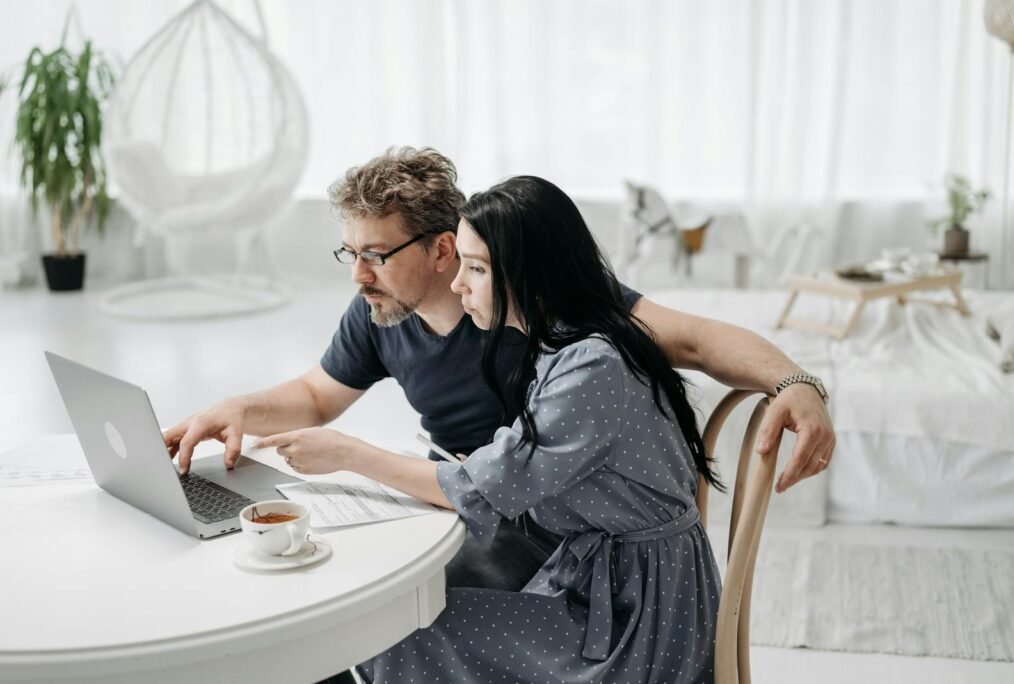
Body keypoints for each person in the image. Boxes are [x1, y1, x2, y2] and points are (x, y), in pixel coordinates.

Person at [164, 147, 834, 595]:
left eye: (374, 253)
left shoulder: (545, 309)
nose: (356, 274)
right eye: (348, 251)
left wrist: (796, 383)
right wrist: (232, 412)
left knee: (382, 606)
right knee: (332, 580)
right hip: (469, 497)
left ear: (442, 251)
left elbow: (688, 340)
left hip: (547, 527)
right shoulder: (378, 309)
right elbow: (315, 393)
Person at [276, 175, 725, 682]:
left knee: (400, 630)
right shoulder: (563, 347)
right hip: (604, 580)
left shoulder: (591, 367)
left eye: (476, 268)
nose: (457, 283)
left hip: (639, 613)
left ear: (529, 275)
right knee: (403, 618)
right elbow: (540, 467)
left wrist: (347, 453)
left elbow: (478, 490)